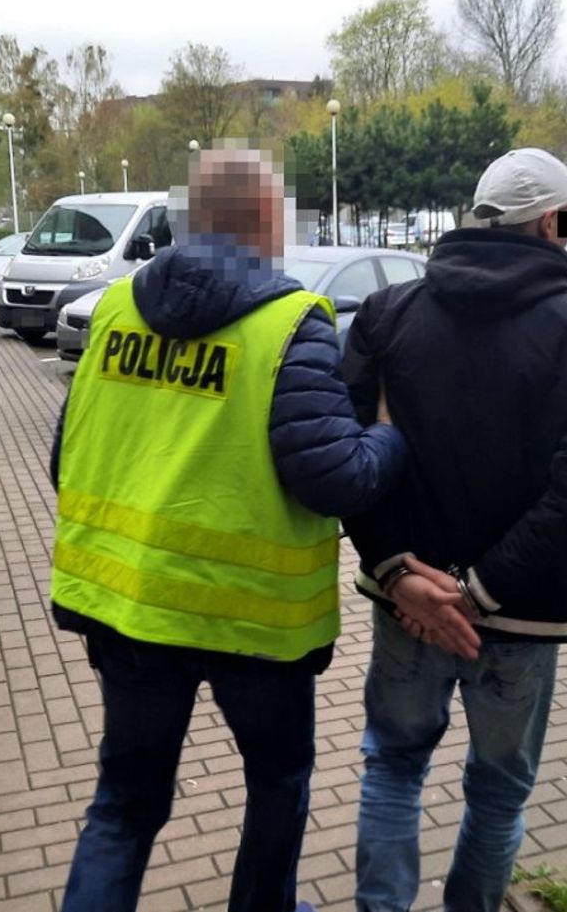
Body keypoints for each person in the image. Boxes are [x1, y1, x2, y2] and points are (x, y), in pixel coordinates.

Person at [48, 146, 407, 912]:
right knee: (276, 783)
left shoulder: (113, 310)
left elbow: (65, 456)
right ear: (268, 222)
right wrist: (390, 436)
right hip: (256, 626)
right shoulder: (289, 322)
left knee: (123, 803)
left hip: (133, 612)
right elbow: (336, 476)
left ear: (191, 217)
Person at [341, 147, 567, 912]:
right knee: (499, 792)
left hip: (409, 600)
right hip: (521, 609)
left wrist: (404, 572)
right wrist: (478, 592)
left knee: (394, 766)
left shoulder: (387, 315)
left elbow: (351, 461)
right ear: (547, 223)